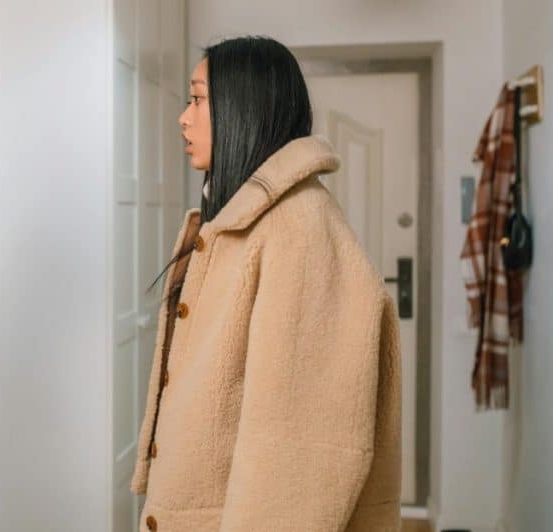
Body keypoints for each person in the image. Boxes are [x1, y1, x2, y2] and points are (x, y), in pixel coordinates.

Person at [131, 36, 401, 531]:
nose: (183, 118)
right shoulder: (239, 222)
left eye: (197, 99)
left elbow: (299, 455)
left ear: (243, 109)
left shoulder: (301, 231)